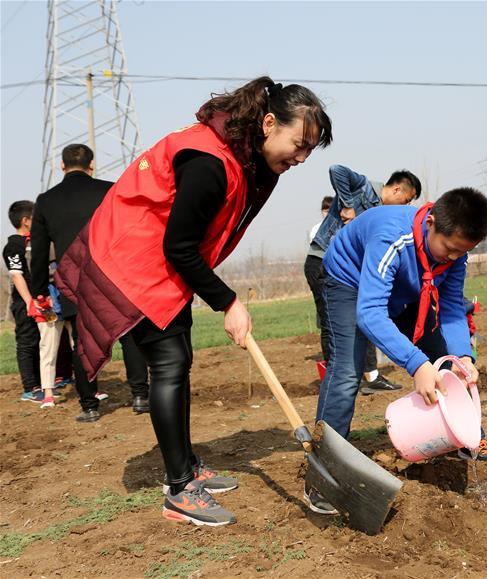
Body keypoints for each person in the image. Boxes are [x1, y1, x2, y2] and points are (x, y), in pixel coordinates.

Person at [58, 77, 333, 526]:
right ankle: (179, 489)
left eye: (309, 150)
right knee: (167, 363)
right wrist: (228, 302)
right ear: (267, 123)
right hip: (134, 261)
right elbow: (178, 248)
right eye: (298, 144)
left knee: (178, 357)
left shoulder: (240, 157)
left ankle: (185, 463)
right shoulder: (209, 162)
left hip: (160, 263)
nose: (300, 158)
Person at [311, 187, 487, 514]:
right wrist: (416, 364)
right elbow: (369, 313)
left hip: (408, 288)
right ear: (432, 223)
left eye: (461, 253)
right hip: (349, 281)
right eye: (449, 249)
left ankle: (462, 439)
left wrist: (463, 357)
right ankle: (323, 474)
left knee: (443, 359)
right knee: (346, 373)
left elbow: (452, 307)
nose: (453, 258)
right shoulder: (392, 236)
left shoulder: (455, 253)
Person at [29, 144, 150, 418]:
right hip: (115, 275)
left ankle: (90, 407)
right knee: (128, 334)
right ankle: (141, 396)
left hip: (75, 281)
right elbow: (131, 232)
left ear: (62, 166)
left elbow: (38, 252)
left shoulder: (47, 201)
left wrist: (39, 290)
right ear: (91, 165)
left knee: (82, 342)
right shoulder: (109, 191)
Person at [304, 165, 421, 395]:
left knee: (366, 314)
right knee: (332, 323)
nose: (406, 207)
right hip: (323, 261)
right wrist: (348, 206)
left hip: (349, 270)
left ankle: (368, 375)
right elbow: (336, 170)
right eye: (406, 200)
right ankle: (338, 380)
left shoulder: (382, 213)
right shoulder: (364, 187)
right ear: (397, 189)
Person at [4, 201, 42, 403]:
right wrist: (29, 302)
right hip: (24, 303)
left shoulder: (33, 242)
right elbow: (17, 276)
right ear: (26, 221)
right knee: (27, 342)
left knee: (39, 342)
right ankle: (30, 388)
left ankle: (43, 382)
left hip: (39, 299)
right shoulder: (13, 246)